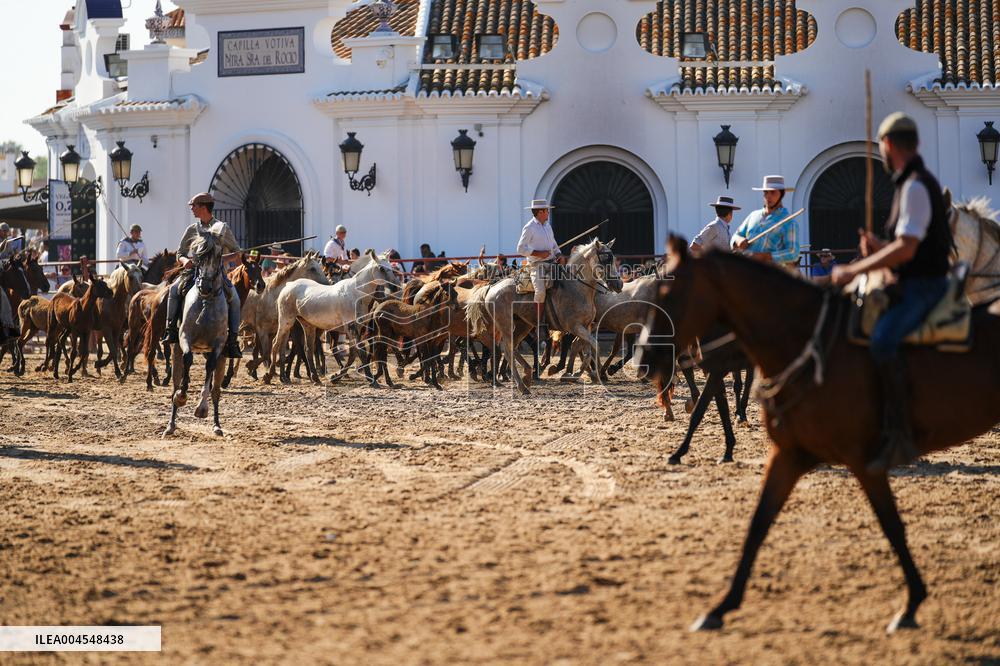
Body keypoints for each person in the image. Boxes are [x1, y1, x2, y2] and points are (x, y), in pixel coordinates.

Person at [832, 112, 953, 472]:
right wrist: (878, 245)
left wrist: (855, 268)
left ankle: (900, 433)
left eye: (881, 145)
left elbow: (908, 249)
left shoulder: (915, 186)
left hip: (924, 287)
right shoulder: (909, 183)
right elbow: (900, 244)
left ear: (887, 145)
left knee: (882, 340)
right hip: (913, 281)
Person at [161, 192, 243, 358]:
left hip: (218, 274)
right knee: (174, 290)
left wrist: (220, 260)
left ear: (204, 207)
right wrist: (185, 262)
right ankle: (170, 330)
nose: (192, 209)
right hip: (194, 272)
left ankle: (233, 341)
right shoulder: (192, 229)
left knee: (235, 299)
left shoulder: (222, 228)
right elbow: (181, 253)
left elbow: (237, 252)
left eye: (194, 206)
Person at [516, 198, 565, 350]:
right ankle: (539, 325)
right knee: (541, 292)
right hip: (536, 265)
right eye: (546, 210)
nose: (548, 212)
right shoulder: (529, 227)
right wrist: (538, 253)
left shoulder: (547, 226)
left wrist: (558, 254)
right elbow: (520, 248)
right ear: (540, 212)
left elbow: (554, 244)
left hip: (551, 263)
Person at [731, 175, 798, 266]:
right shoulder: (753, 215)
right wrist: (738, 241)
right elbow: (735, 236)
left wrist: (765, 257)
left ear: (782, 194)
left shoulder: (789, 222)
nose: (768, 196)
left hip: (770, 275)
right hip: (745, 272)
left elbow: (793, 253)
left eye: (773, 192)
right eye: (766, 192)